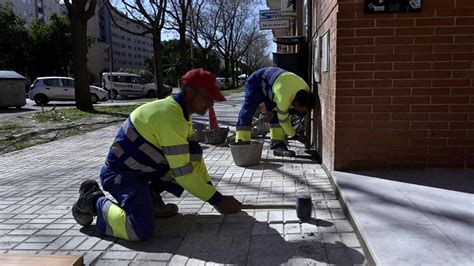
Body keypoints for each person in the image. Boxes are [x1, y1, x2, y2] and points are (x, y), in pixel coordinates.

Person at [72, 68, 242, 241]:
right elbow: (183, 175)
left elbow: (193, 158)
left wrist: (212, 192)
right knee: (139, 229)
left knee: (192, 150)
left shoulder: (182, 114)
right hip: (121, 176)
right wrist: (218, 200)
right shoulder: (171, 117)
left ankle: (151, 197)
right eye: (207, 97)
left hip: (143, 172)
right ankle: (92, 200)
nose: (210, 104)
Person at [236, 67, 316, 157]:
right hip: (257, 81)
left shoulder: (306, 92)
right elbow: (284, 120)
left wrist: (272, 112)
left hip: (274, 87)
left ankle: (278, 146)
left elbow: (284, 111)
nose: (300, 112)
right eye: (301, 110)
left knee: (276, 116)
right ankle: (241, 143)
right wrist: (296, 136)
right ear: (296, 103)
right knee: (248, 110)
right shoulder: (285, 98)